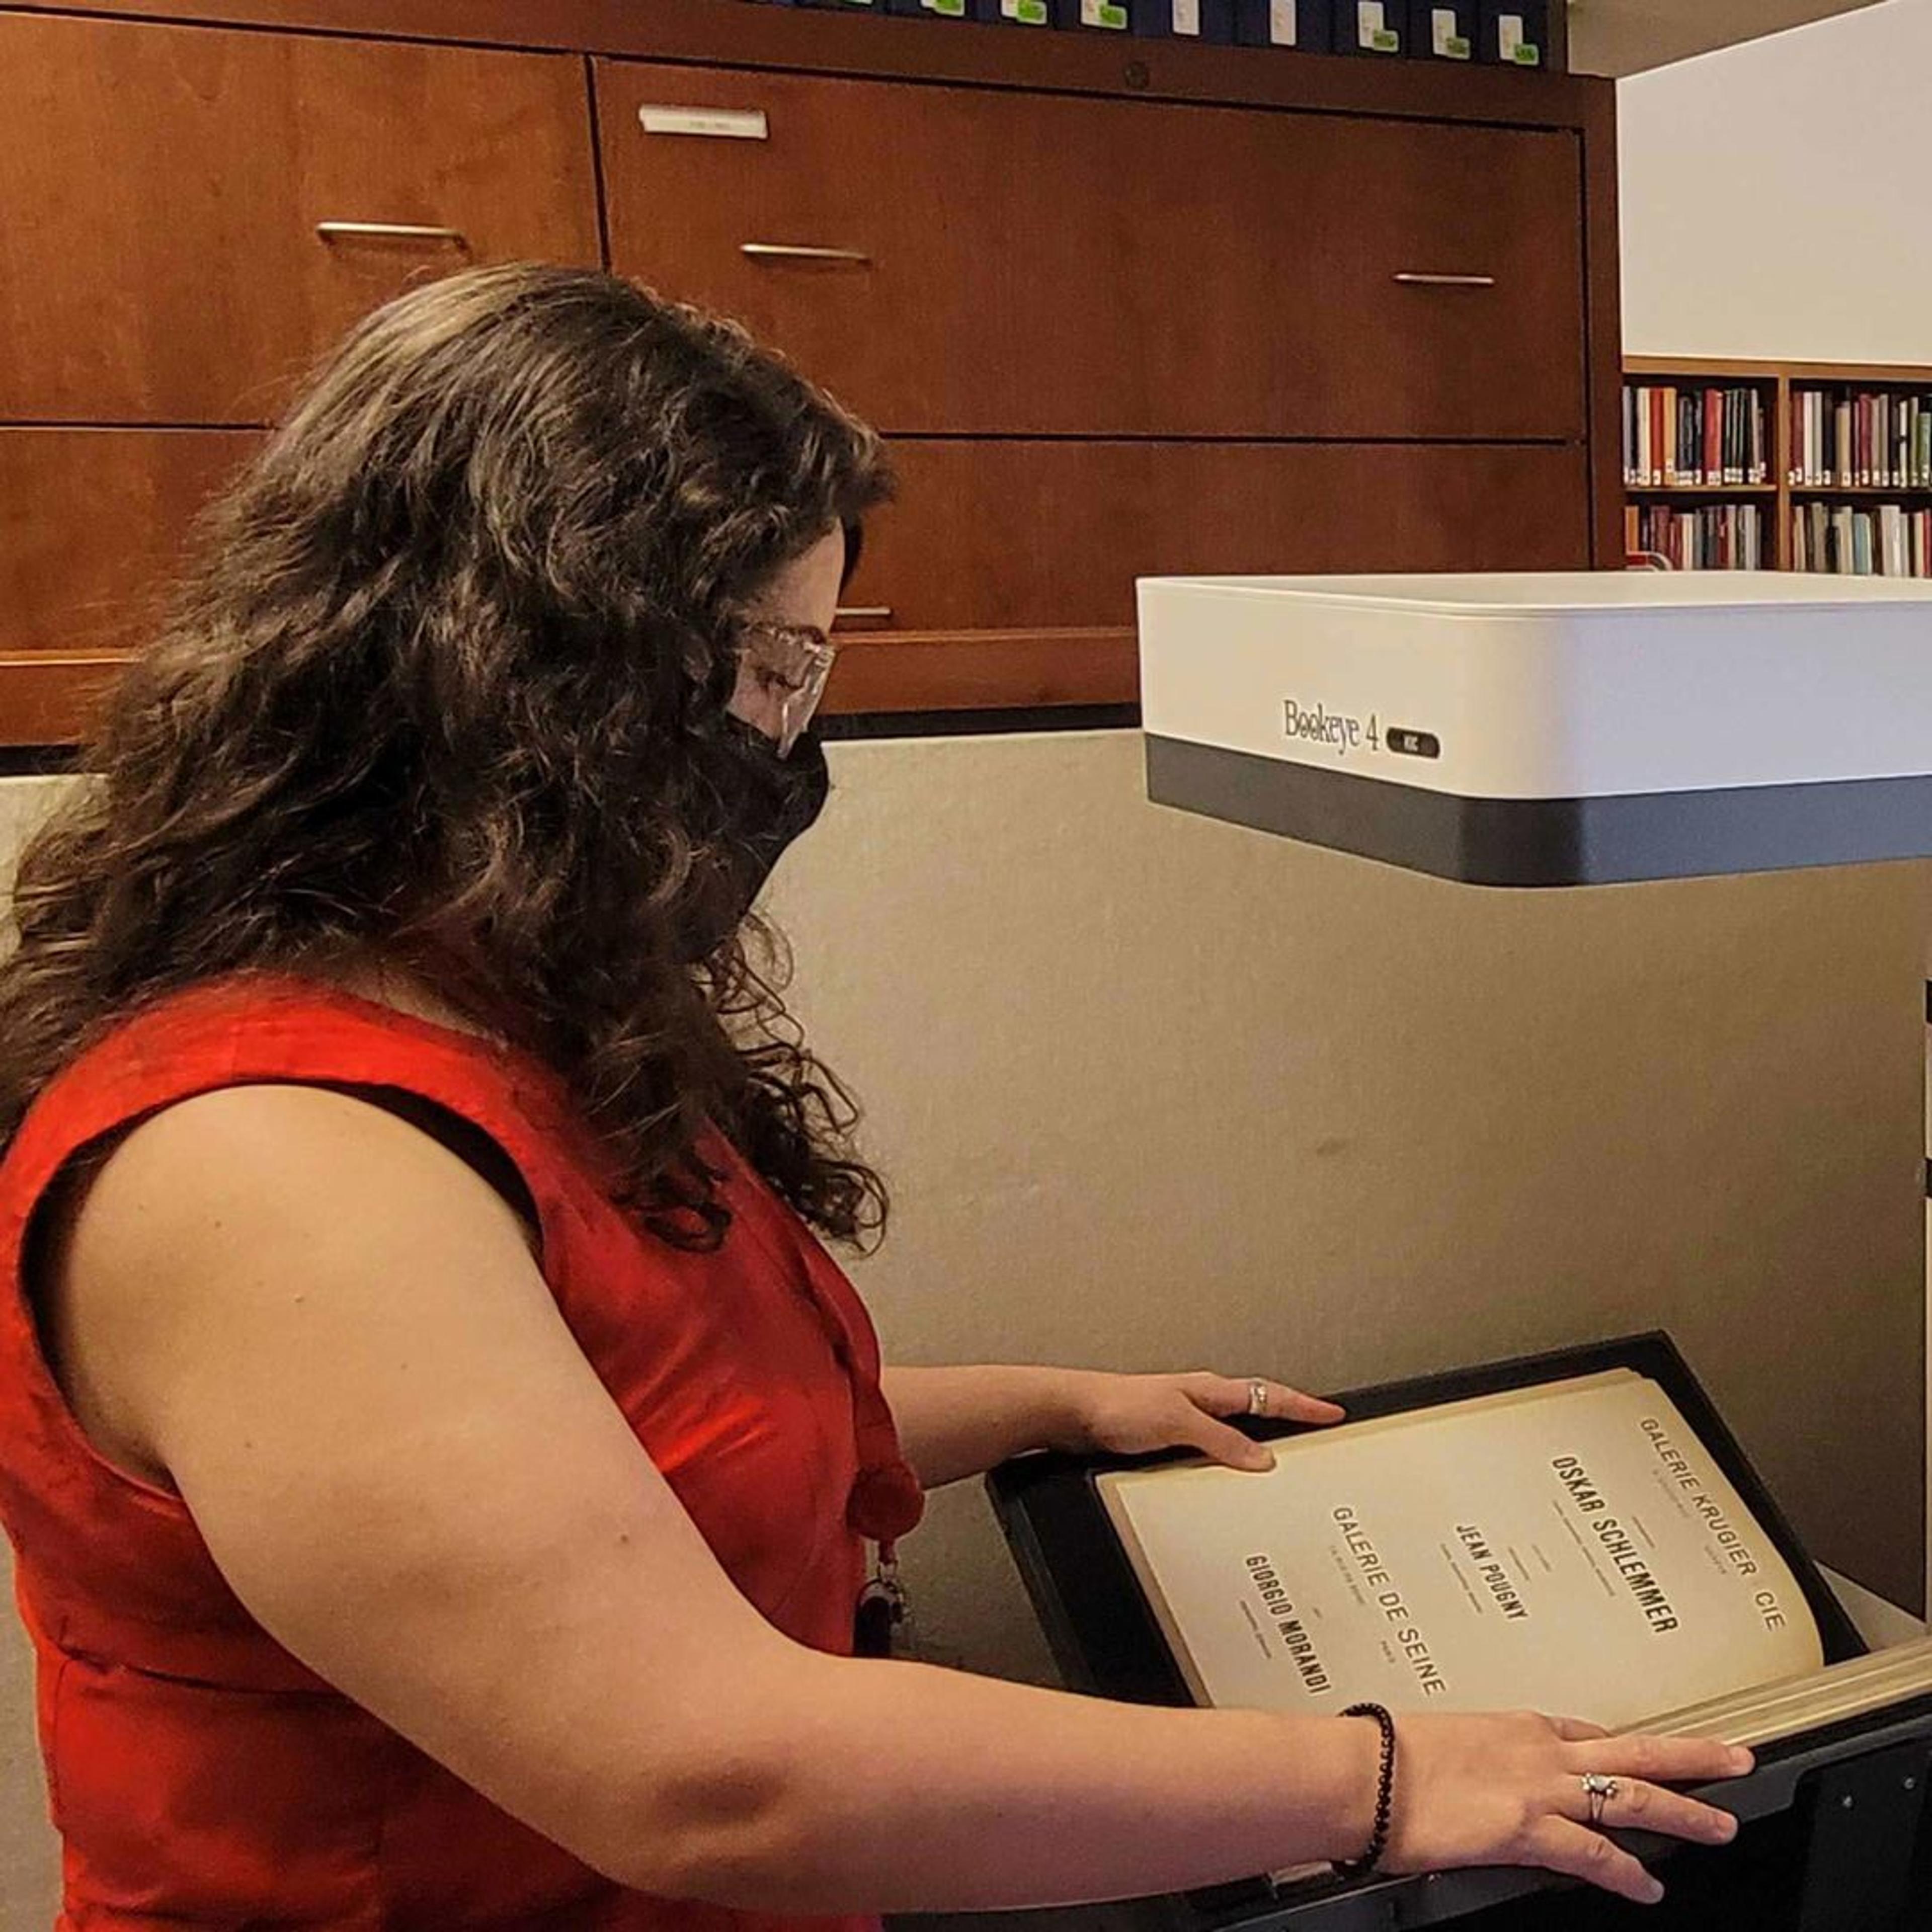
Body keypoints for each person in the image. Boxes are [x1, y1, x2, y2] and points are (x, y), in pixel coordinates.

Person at [0, 264, 1748, 1929]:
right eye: (764, 669)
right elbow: (701, 1776)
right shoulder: (269, 1161)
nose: (784, 742)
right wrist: (1383, 1781)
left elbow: (635, 1438)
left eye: (807, 670)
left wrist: (1062, 1403)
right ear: (530, 666)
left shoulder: (507, 1001)